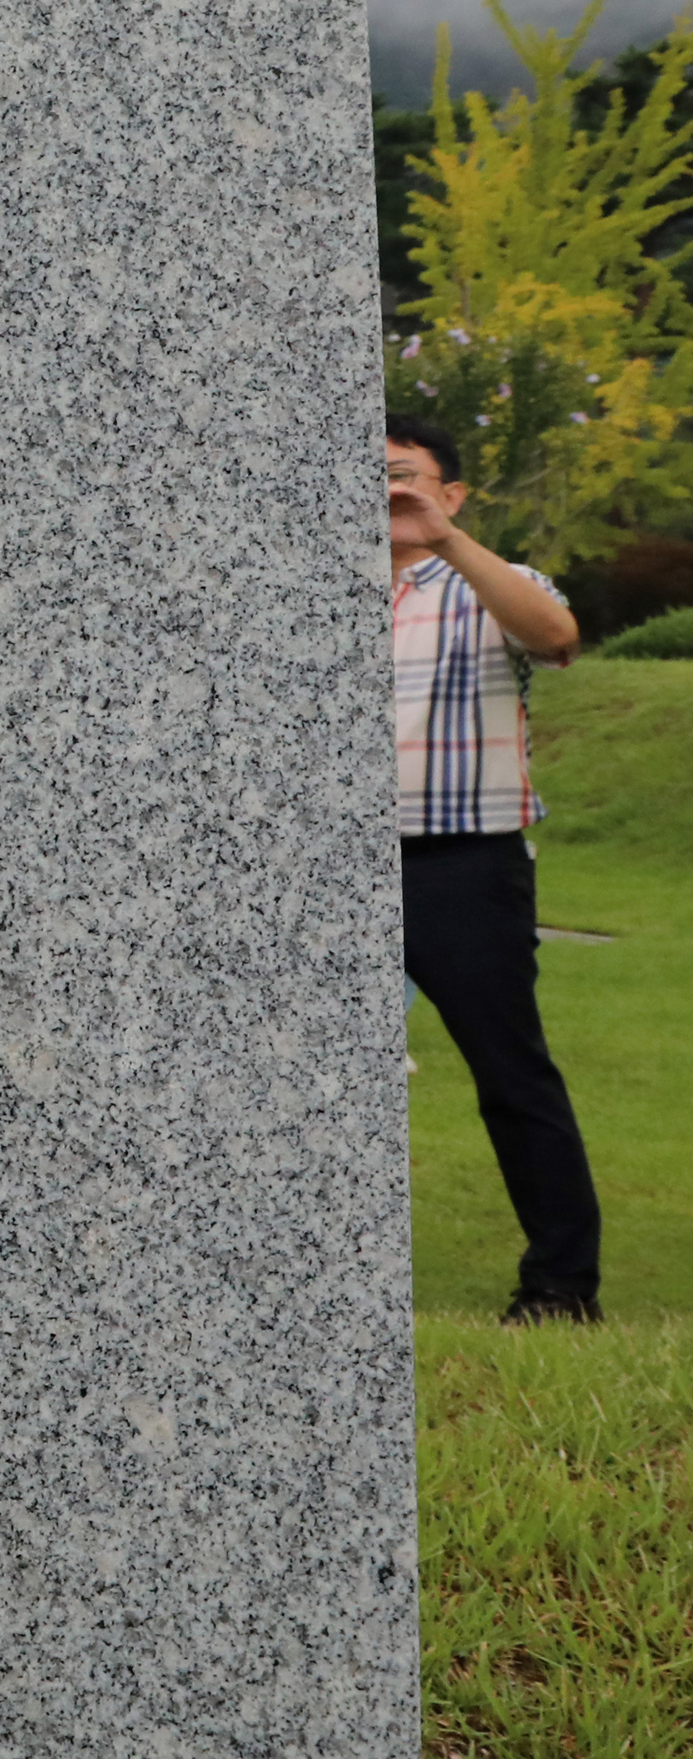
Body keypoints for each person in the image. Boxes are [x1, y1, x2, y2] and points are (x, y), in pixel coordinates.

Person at [387, 419, 601, 1321]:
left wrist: (442, 537)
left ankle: (560, 1286)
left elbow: (555, 633)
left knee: (511, 1076)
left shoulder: (486, 583)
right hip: (319, 877)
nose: (387, 491)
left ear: (454, 490)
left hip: (461, 865)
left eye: (403, 474)